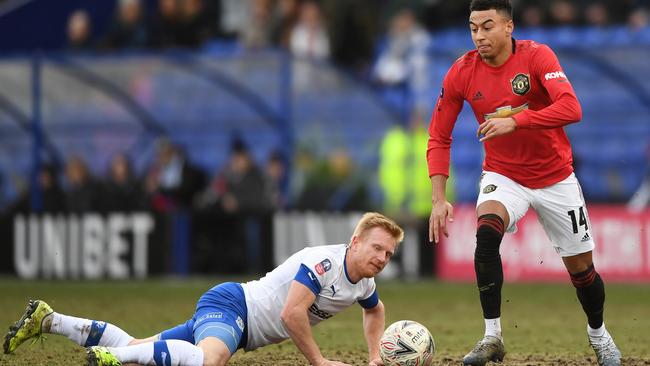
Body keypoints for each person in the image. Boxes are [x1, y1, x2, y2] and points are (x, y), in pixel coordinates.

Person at [426, 1, 621, 365]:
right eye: (473, 28)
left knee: (583, 272)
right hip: (504, 174)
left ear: (508, 27)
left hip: (555, 177)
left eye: (487, 26)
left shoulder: (537, 57)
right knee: (485, 235)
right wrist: (439, 198)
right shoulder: (461, 72)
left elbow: (572, 108)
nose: (479, 36)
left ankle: (598, 333)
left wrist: (519, 121)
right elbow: (439, 136)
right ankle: (492, 336)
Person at [4, 212, 403, 366]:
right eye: (377, 247)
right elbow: (290, 314)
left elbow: (375, 310)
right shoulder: (324, 263)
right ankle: (112, 358)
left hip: (240, 321)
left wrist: (374, 358)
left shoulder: (364, 280)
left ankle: (50, 319)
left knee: (139, 345)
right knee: (209, 361)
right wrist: (319, 363)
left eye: (388, 253)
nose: (383, 258)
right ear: (355, 242)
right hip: (233, 306)